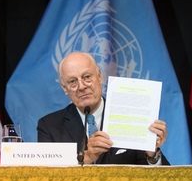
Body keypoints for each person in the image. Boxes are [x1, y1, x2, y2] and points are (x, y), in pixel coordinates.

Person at [37, 51, 169, 165]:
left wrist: (152, 154)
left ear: (99, 77)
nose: (82, 86)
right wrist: (87, 157)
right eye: (73, 82)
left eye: (87, 77)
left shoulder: (131, 117)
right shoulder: (49, 126)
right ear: (65, 88)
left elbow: (158, 178)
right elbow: (47, 174)